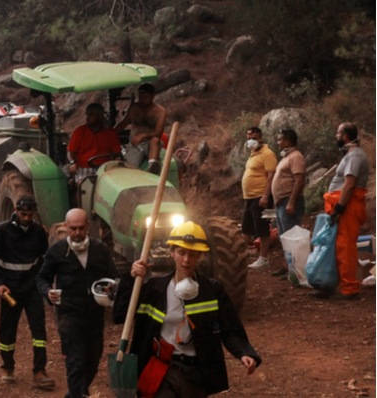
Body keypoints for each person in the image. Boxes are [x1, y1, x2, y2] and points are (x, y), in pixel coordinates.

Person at [114, 221, 261, 397]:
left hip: (196, 372)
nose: (186, 260)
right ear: (172, 253)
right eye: (181, 252)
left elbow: (230, 328)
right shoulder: (154, 289)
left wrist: (244, 352)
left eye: (192, 254)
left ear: (200, 256)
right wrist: (131, 279)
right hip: (162, 370)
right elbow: (121, 314)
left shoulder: (211, 290)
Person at [36, 208, 116, 398]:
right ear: (66, 227)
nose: (77, 233)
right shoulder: (57, 251)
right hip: (69, 315)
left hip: (95, 315)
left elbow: (114, 277)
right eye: (73, 229)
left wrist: (110, 290)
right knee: (75, 361)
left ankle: (76, 393)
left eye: (81, 228)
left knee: (93, 361)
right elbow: (42, 278)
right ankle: (78, 393)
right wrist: (48, 292)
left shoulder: (100, 250)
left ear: (88, 226)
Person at [0, 196, 55, 390]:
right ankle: (8, 367)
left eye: (30, 215)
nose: (26, 218)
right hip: (10, 289)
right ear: (16, 211)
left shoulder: (38, 232)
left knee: (39, 330)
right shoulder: (1, 232)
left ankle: (39, 371)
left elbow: (44, 260)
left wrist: (42, 283)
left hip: (31, 288)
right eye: (23, 214)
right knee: (7, 329)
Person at [322, 122, 370, 299]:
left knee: (346, 248)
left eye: (338, 133)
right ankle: (338, 283)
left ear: (346, 136)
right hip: (344, 206)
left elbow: (349, 185)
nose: (336, 137)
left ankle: (350, 289)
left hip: (348, 206)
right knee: (339, 246)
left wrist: (339, 208)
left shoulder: (355, 156)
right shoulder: (350, 155)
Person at [267, 128, 306, 274]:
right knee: (284, 237)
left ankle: (296, 271)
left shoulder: (296, 156)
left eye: (280, 139)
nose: (278, 142)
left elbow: (299, 180)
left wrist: (291, 202)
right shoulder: (286, 157)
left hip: (288, 201)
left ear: (288, 140)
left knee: (292, 237)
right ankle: (289, 267)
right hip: (281, 202)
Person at [240, 127, 277, 269]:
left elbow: (271, 176)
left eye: (254, 137)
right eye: (248, 137)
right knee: (246, 227)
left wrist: (266, 196)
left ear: (260, 137)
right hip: (249, 197)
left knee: (262, 228)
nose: (251, 140)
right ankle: (246, 254)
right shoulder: (253, 154)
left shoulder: (267, 154)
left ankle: (263, 258)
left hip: (261, 196)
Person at [115, 83, 166, 173]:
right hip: (135, 145)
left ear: (152, 96)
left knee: (155, 140)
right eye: (140, 96)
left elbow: (158, 133)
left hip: (150, 144)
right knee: (131, 167)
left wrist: (143, 136)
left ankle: (153, 165)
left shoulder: (160, 111)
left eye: (145, 97)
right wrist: (110, 133)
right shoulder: (134, 108)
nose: (142, 100)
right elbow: (123, 124)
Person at [67, 103, 122, 183]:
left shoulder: (110, 134)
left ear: (100, 116)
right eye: (87, 114)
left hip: (105, 168)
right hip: (85, 168)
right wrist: (72, 163)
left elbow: (117, 153)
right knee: (83, 185)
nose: (87, 118)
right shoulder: (79, 132)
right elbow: (70, 152)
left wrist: (118, 161)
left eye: (91, 115)